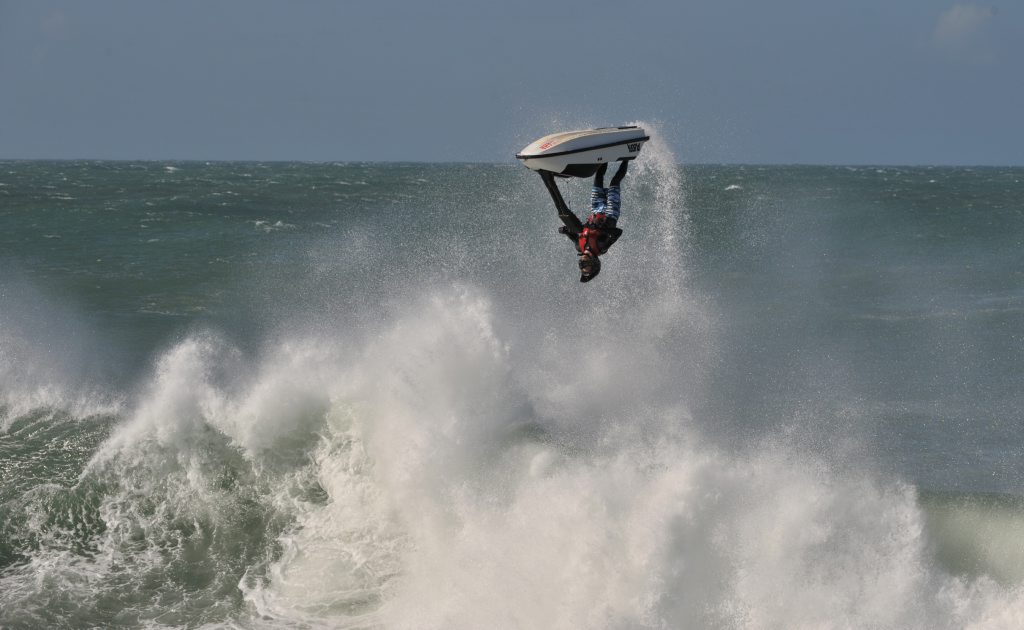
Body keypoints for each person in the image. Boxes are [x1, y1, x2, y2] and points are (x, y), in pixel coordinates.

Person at [557, 160, 628, 282]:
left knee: (598, 178)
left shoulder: (579, 247)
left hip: (596, 210)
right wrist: (603, 229)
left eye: (581, 266)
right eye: (585, 266)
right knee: (614, 182)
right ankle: (626, 158)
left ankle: (604, 155)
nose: (581, 264)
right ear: (594, 263)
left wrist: (564, 231)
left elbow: (573, 235)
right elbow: (618, 233)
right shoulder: (601, 247)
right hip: (610, 214)